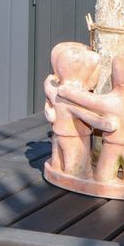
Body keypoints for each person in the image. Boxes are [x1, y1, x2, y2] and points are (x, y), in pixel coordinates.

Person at [58, 51, 124, 185]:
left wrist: (67, 92)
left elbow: (87, 99)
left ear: (114, 76)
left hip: (112, 147)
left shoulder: (110, 102)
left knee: (103, 178)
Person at [44, 42, 102, 178]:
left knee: (62, 163)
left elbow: (48, 87)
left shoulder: (55, 89)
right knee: (73, 170)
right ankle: (72, 178)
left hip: (63, 135)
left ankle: (63, 174)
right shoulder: (78, 96)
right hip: (72, 137)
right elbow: (91, 116)